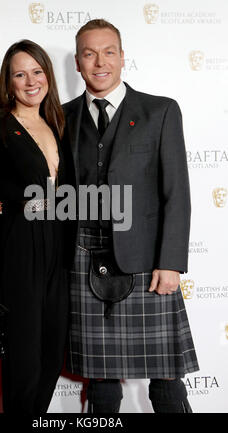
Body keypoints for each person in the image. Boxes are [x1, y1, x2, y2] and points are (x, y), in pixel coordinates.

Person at [62, 19, 199, 413]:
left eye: (108, 52)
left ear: (123, 58)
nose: (99, 62)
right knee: (101, 382)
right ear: (77, 62)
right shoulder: (62, 116)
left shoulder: (160, 111)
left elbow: (177, 193)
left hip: (145, 264)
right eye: (89, 53)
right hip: (83, 260)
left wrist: (170, 263)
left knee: (168, 381)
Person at [0, 39, 68, 413]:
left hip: (59, 248)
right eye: (20, 74)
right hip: (19, 247)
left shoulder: (60, 123)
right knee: (23, 364)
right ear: (8, 82)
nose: (31, 81)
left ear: (48, 75)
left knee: (50, 356)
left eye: (37, 72)